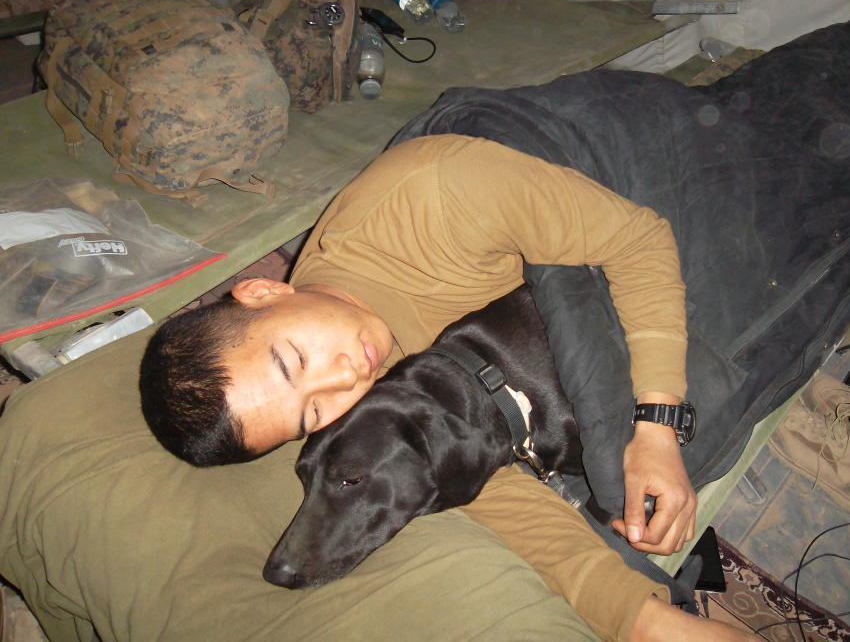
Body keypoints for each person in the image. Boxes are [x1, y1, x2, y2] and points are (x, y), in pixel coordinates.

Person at [140, 134, 753, 641]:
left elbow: (640, 237)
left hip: (636, 165)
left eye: (293, 361)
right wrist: (640, 619)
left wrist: (657, 422)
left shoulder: (436, 195)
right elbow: (481, 485)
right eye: (313, 413)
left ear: (262, 290)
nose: (346, 378)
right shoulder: (367, 381)